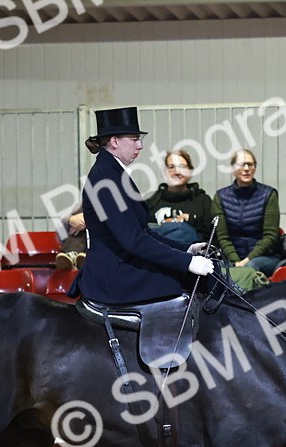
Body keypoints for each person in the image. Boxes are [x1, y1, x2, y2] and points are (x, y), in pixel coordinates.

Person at [70, 107, 213, 306]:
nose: (140, 146)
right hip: (114, 276)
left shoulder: (113, 172)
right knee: (188, 279)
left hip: (122, 264)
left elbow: (142, 232)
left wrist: (187, 249)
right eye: (134, 139)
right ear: (115, 141)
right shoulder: (105, 178)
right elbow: (133, 240)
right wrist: (187, 262)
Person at [212, 149, 281, 278]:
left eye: (250, 164)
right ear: (233, 168)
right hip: (231, 258)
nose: (246, 168)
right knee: (215, 269)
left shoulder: (269, 194)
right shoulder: (220, 197)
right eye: (242, 164)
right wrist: (236, 261)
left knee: (250, 268)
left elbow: (270, 236)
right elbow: (222, 237)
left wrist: (246, 261)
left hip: (264, 257)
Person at [144, 150, 213, 245]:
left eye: (182, 167)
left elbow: (210, 239)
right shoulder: (150, 200)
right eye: (171, 167)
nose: (176, 172)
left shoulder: (203, 201)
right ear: (165, 172)